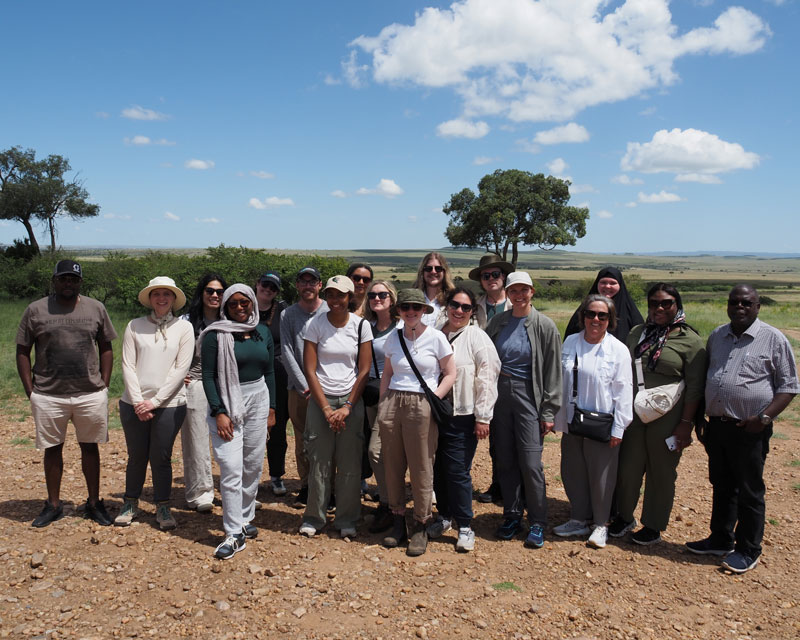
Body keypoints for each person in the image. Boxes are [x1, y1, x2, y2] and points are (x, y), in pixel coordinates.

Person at [686, 285, 798, 573]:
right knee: (722, 485)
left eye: (747, 303)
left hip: (749, 428)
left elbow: (788, 387)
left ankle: (749, 549)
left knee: (750, 490)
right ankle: (721, 538)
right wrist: (701, 418)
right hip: (718, 426)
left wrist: (763, 419)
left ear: (758, 306)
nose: (740, 307)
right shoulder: (717, 337)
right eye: (734, 302)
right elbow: (709, 378)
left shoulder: (773, 339)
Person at [17, 259, 117, 528]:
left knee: (90, 447)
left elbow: (106, 346)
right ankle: (53, 504)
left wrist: (104, 384)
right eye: (63, 279)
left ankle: (94, 503)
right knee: (52, 448)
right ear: (55, 281)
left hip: (89, 393)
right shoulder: (35, 310)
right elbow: (23, 351)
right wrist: (31, 390)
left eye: (73, 279)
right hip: (49, 393)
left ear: (80, 282)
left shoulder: (96, 308)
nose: (68, 283)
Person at [610, 283, 707, 545]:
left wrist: (685, 424)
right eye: (654, 303)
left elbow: (696, 387)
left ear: (678, 305)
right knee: (628, 468)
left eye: (666, 303)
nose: (660, 308)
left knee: (661, 472)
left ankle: (653, 524)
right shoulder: (637, 333)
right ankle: (624, 516)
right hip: (634, 412)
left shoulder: (690, 340)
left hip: (670, 417)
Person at [485, 271, 562, 549]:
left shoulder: (544, 325)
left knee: (530, 463)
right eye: (513, 291)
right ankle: (512, 515)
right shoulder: (498, 322)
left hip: (530, 394)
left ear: (532, 292)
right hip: (499, 395)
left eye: (524, 290)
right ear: (507, 293)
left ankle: (538, 521)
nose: (519, 296)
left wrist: (549, 411)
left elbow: (554, 370)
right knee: (504, 459)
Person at [200, 285, 276, 559]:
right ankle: (233, 533)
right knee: (231, 466)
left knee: (253, 463)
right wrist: (218, 410)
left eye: (245, 302)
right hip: (227, 401)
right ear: (225, 308)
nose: (240, 308)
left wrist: (272, 408)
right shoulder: (215, 336)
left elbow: (269, 371)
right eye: (234, 304)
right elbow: (208, 376)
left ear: (253, 303)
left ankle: (245, 517)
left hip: (259, 397)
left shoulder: (262, 331)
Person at [377, 289, 456, 556]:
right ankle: (398, 521)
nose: (411, 312)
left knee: (422, 465)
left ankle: (421, 524)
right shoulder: (393, 337)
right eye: (405, 307)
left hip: (422, 402)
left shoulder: (436, 338)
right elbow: (387, 373)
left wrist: (434, 397)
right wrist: (382, 405)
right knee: (393, 464)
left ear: (424, 310)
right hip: (392, 403)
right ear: (399, 310)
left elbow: (450, 372)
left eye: (416, 307)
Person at [553, 294, 633, 549]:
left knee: (602, 476)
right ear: (582, 317)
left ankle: (600, 525)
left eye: (602, 315)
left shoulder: (617, 349)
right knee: (573, 471)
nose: (595, 319)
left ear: (610, 319)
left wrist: (619, 427)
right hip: (573, 420)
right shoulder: (570, 342)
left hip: (602, 422)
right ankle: (578, 518)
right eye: (590, 314)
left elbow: (624, 390)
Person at [116, 277, 194, 530]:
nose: (161, 298)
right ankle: (130, 502)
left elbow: (181, 368)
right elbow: (127, 364)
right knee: (136, 455)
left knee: (161, 456)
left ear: (174, 299)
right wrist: (139, 401)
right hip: (133, 403)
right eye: (157, 294)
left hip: (170, 404)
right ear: (150, 298)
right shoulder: (135, 326)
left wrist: (156, 401)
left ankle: (162, 505)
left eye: (167, 294)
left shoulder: (184, 328)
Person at [298, 276, 373, 538]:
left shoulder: (361, 326)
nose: (335, 300)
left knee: (349, 462)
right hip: (322, 399)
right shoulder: (314, 324)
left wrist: (349, 405)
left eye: (340, 295)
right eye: (330, 295)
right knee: (319, 461)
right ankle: (314, 517)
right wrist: (326, 409)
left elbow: (364, 370)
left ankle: (347, 518)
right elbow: (310, 368)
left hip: (351, 399)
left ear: (349, 297)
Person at [429, 287, 500, 552]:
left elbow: (488, 377)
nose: (459, 311)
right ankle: (445, 517)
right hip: (433, 415)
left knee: (458, 471)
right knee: (437, 469)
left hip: (463, 415)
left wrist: (483, 417)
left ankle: (465, 525)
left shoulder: (476, 337)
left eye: (466, 307)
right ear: (447, 305)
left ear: (472, 312)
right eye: (455, 305)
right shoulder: (435, 334)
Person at [468, 253, 515, 505]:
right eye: (485, 276)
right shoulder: (473, 307)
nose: (490, 279)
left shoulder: (517, 304)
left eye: (495, 274)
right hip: (479, 378)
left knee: (505, 438)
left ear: (503, 277)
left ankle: (505, 486)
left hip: (508, 379)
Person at [280, 266, 328, 507]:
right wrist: (304, 386)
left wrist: (321, 385)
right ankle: (307, 485)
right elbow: (286, 351)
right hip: (298, 389)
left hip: (329, 386)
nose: (308, 285)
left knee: (329, 439)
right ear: (297, 286)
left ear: (320, 285)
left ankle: (328, 487)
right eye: (303, 281)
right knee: (303, 440)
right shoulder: (288, 315)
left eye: (313, 281)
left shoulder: (331, 310)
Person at [180, 274, 227, 512]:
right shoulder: (186, 321)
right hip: (196, 383)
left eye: (219, 291)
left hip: (225, 384)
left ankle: (233, 491)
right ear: (201, 293)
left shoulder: (231, 319)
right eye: (210, 291)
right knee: (195, 440)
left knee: (229, 439)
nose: (215, 295)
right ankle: (200, 492)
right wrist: (180, 375)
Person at [361, 279, 401, 534]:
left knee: (377, 451)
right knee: (379, 451)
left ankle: (389, 504)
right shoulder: (367, 327)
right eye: (373, 295)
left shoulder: (401, 327)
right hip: (369, 396)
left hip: (393, 395)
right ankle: (390, 500)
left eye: (383, 294)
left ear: (392, 298)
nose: (377, 298)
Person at [256, 270, 290, 497]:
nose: (268, 289)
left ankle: (276, 476)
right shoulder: (243, 307)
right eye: (265, 285)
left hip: (279, 376)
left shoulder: (283, 312)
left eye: (273, 287)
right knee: (251, 429)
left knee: (277, 428)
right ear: (257, 285)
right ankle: (249, 478)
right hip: (251, 376)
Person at [564, 267, 644, 343]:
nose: (607, 286)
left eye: (613, 283)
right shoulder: (584, 309)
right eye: (603, 282)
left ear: (620, 285)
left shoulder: (630, 312)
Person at [412, 251, 455, 327]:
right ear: (422, 272)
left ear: (444, 272)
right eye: (428, 268)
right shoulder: (412, 298)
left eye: (438, 268)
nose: (433, 271)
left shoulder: (452, 299)